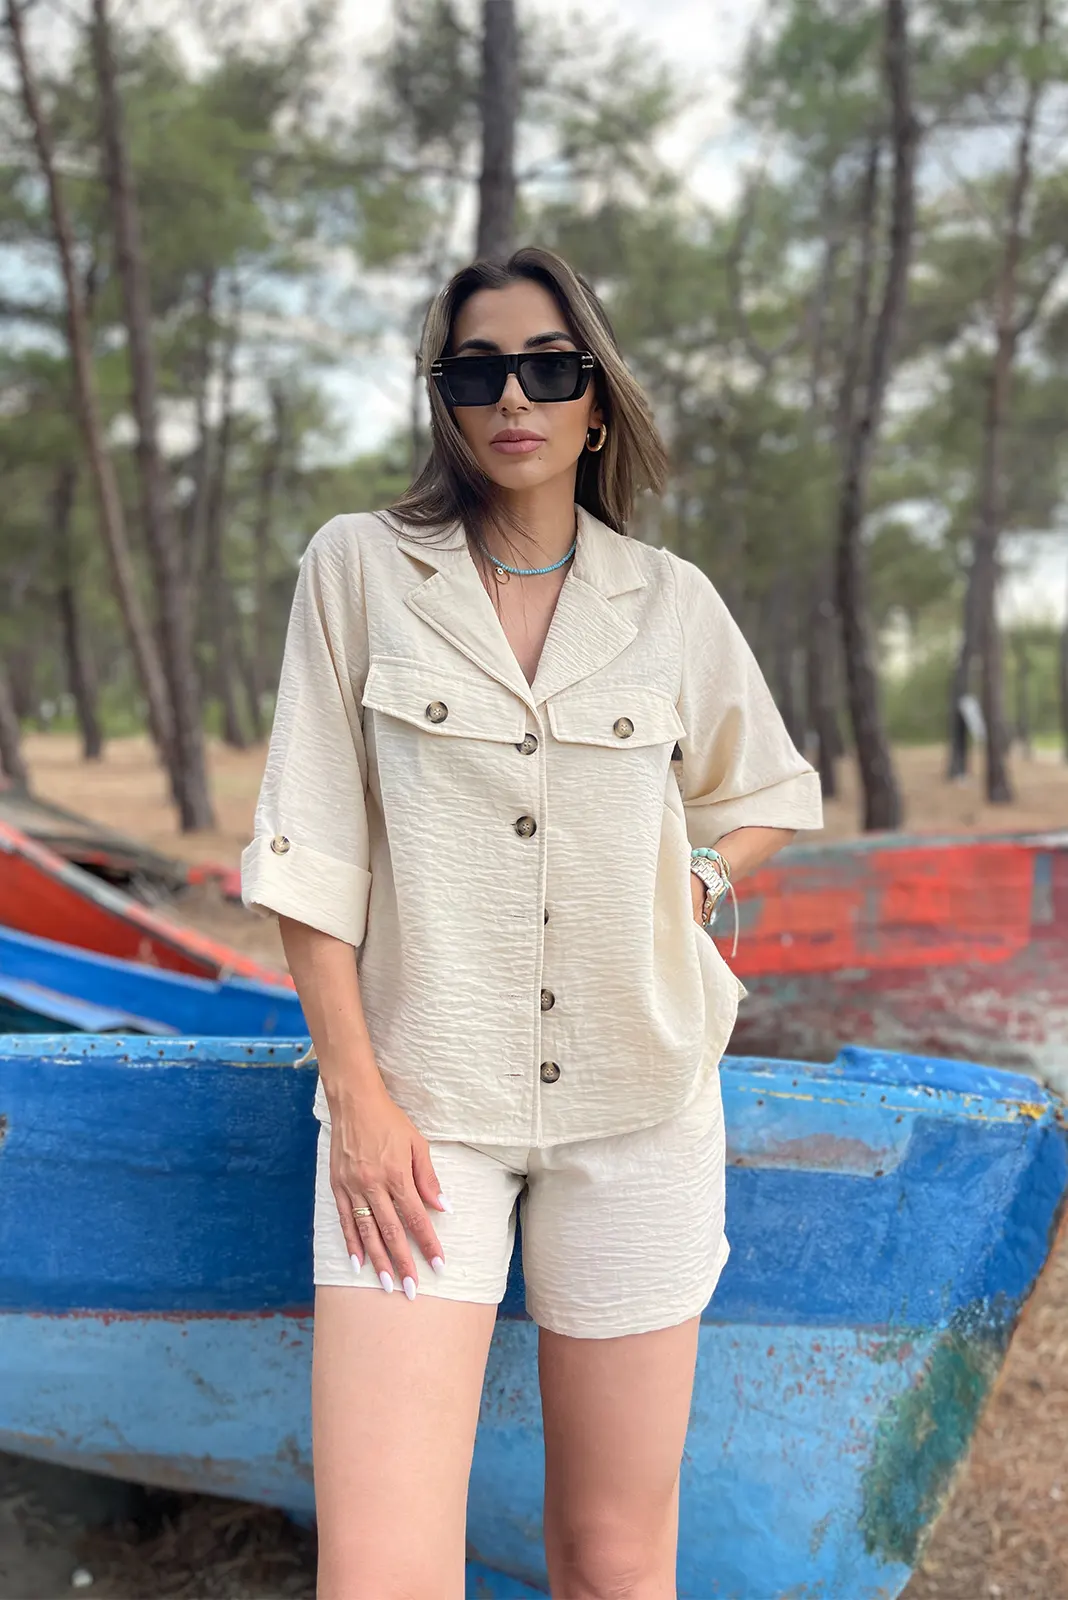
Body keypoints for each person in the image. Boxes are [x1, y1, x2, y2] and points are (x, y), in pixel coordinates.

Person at [241, 245, 823, 1600]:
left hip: (642, 1107)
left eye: (550, 368)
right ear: (444, 399)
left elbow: (769, 791)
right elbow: (311, 853)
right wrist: (359, 1100)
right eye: (478, 370)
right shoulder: (358, 570)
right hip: (421, 1114)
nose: (515, 396)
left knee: (613, 1560)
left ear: (596, 400)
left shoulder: (669, 602)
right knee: (382, 1573)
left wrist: (693, 880)